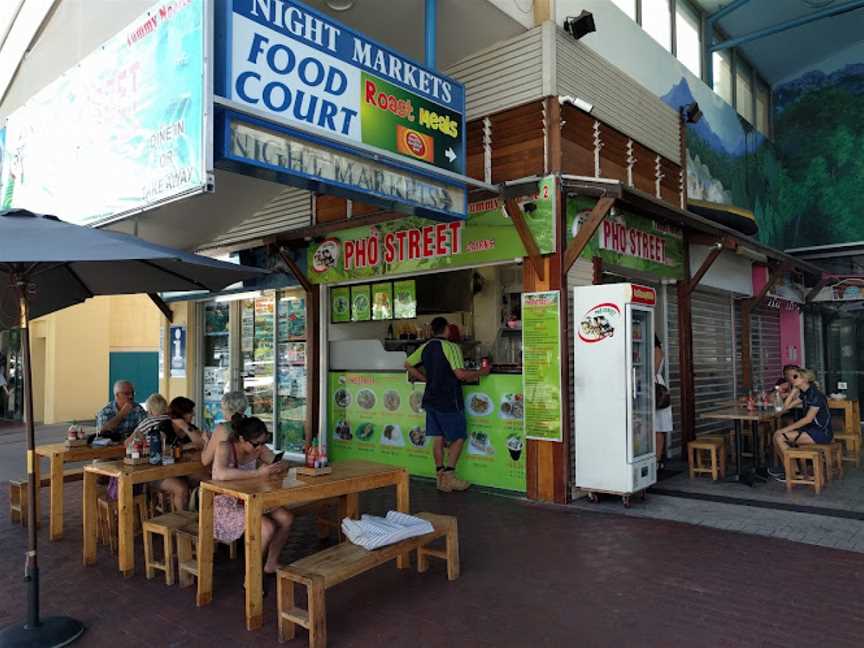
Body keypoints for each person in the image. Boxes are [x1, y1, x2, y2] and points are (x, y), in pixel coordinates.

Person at [405, 316, 490, 492]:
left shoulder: (426, 347)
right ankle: (449, 477)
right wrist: (482, 372)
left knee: (437, 437)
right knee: (458, 436)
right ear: (446, 329)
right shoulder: (451, 347)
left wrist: (425, 379)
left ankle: (440, 478)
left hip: (431, 399)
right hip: (449, 399)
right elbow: (460, 374)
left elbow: (407, 364)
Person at [212, 414, 292, 577]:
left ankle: (271, 563)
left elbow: (275, 462)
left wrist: (280, 466)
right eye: (256, 443)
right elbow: (219, 474)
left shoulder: (258, 448)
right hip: (227, 504)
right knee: (267, 527)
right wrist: (257, 473)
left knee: (286, 518)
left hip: (252, 499)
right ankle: (252, 576)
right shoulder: (225, 447)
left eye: (263, 442)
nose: (260, 447)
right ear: (241, 439)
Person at [128, 393, 192, 510]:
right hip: (174, 468)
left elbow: (128, 443)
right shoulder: (173, 421)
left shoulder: (148, 422)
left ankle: (170, 513)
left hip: (154, 470)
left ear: (151, 410)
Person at [769, 368, 832, 480]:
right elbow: (786, 407)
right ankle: (791, 470)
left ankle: (794, 473)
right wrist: (793, 391)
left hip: (821, 433)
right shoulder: (805, 393)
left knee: (779, 437)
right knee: (776, 436)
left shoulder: (815, 395)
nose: (792, 379)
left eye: (795, 377)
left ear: (805, 379)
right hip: (810, 430)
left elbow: (808, 419)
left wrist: (785, 430)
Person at [201, 391, 251, 468]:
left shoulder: (223, 429)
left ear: (225, 408)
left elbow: (205, 460)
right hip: (252, 474)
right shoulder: (252, 425)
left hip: (230, 476)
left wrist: (206, 441)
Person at [654, 336, 673, 471]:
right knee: (655, 427)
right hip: (654, 386)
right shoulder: (656, 349)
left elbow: (652, 370)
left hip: (655, 389)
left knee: (658, 427)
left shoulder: (656, 350)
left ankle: (657, 460)